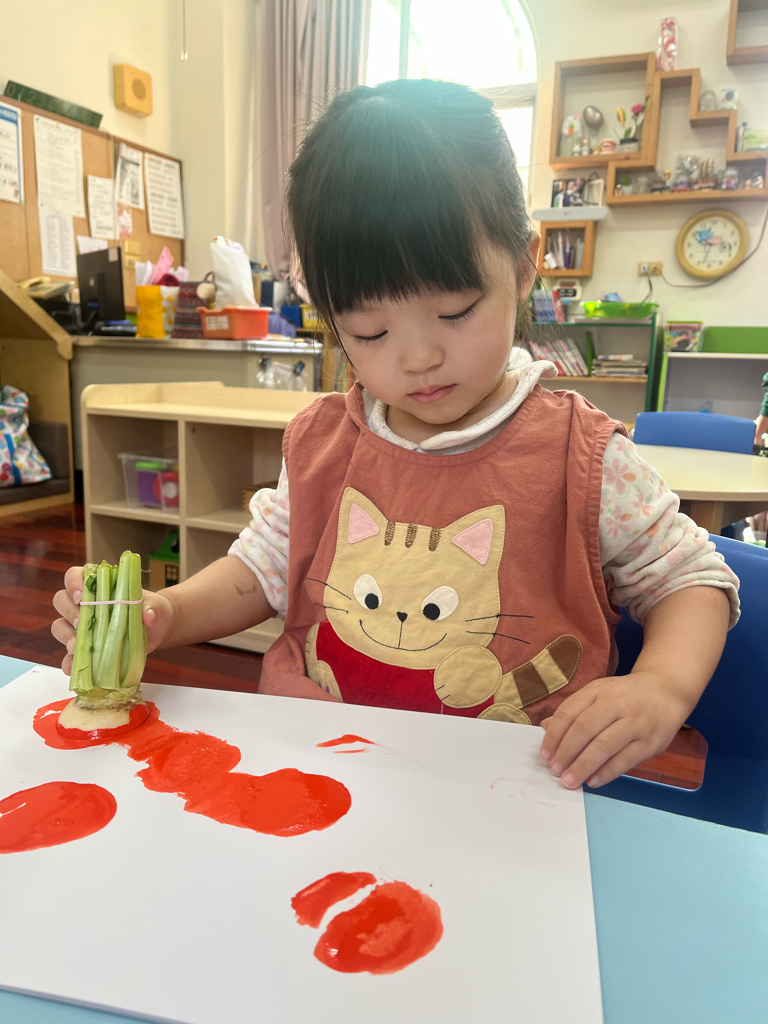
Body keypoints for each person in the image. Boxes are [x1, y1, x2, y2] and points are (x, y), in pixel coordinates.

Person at [52, 79, 739, 793]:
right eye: (370, 331)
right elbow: (261, 569)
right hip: (316, 766)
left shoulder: (583, 456)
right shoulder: (323, 443)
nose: (417, 358)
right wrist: (164, 615)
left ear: (523, 268)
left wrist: (660, 685)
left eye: (456, 311)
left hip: (508, 793)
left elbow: (692, 580)